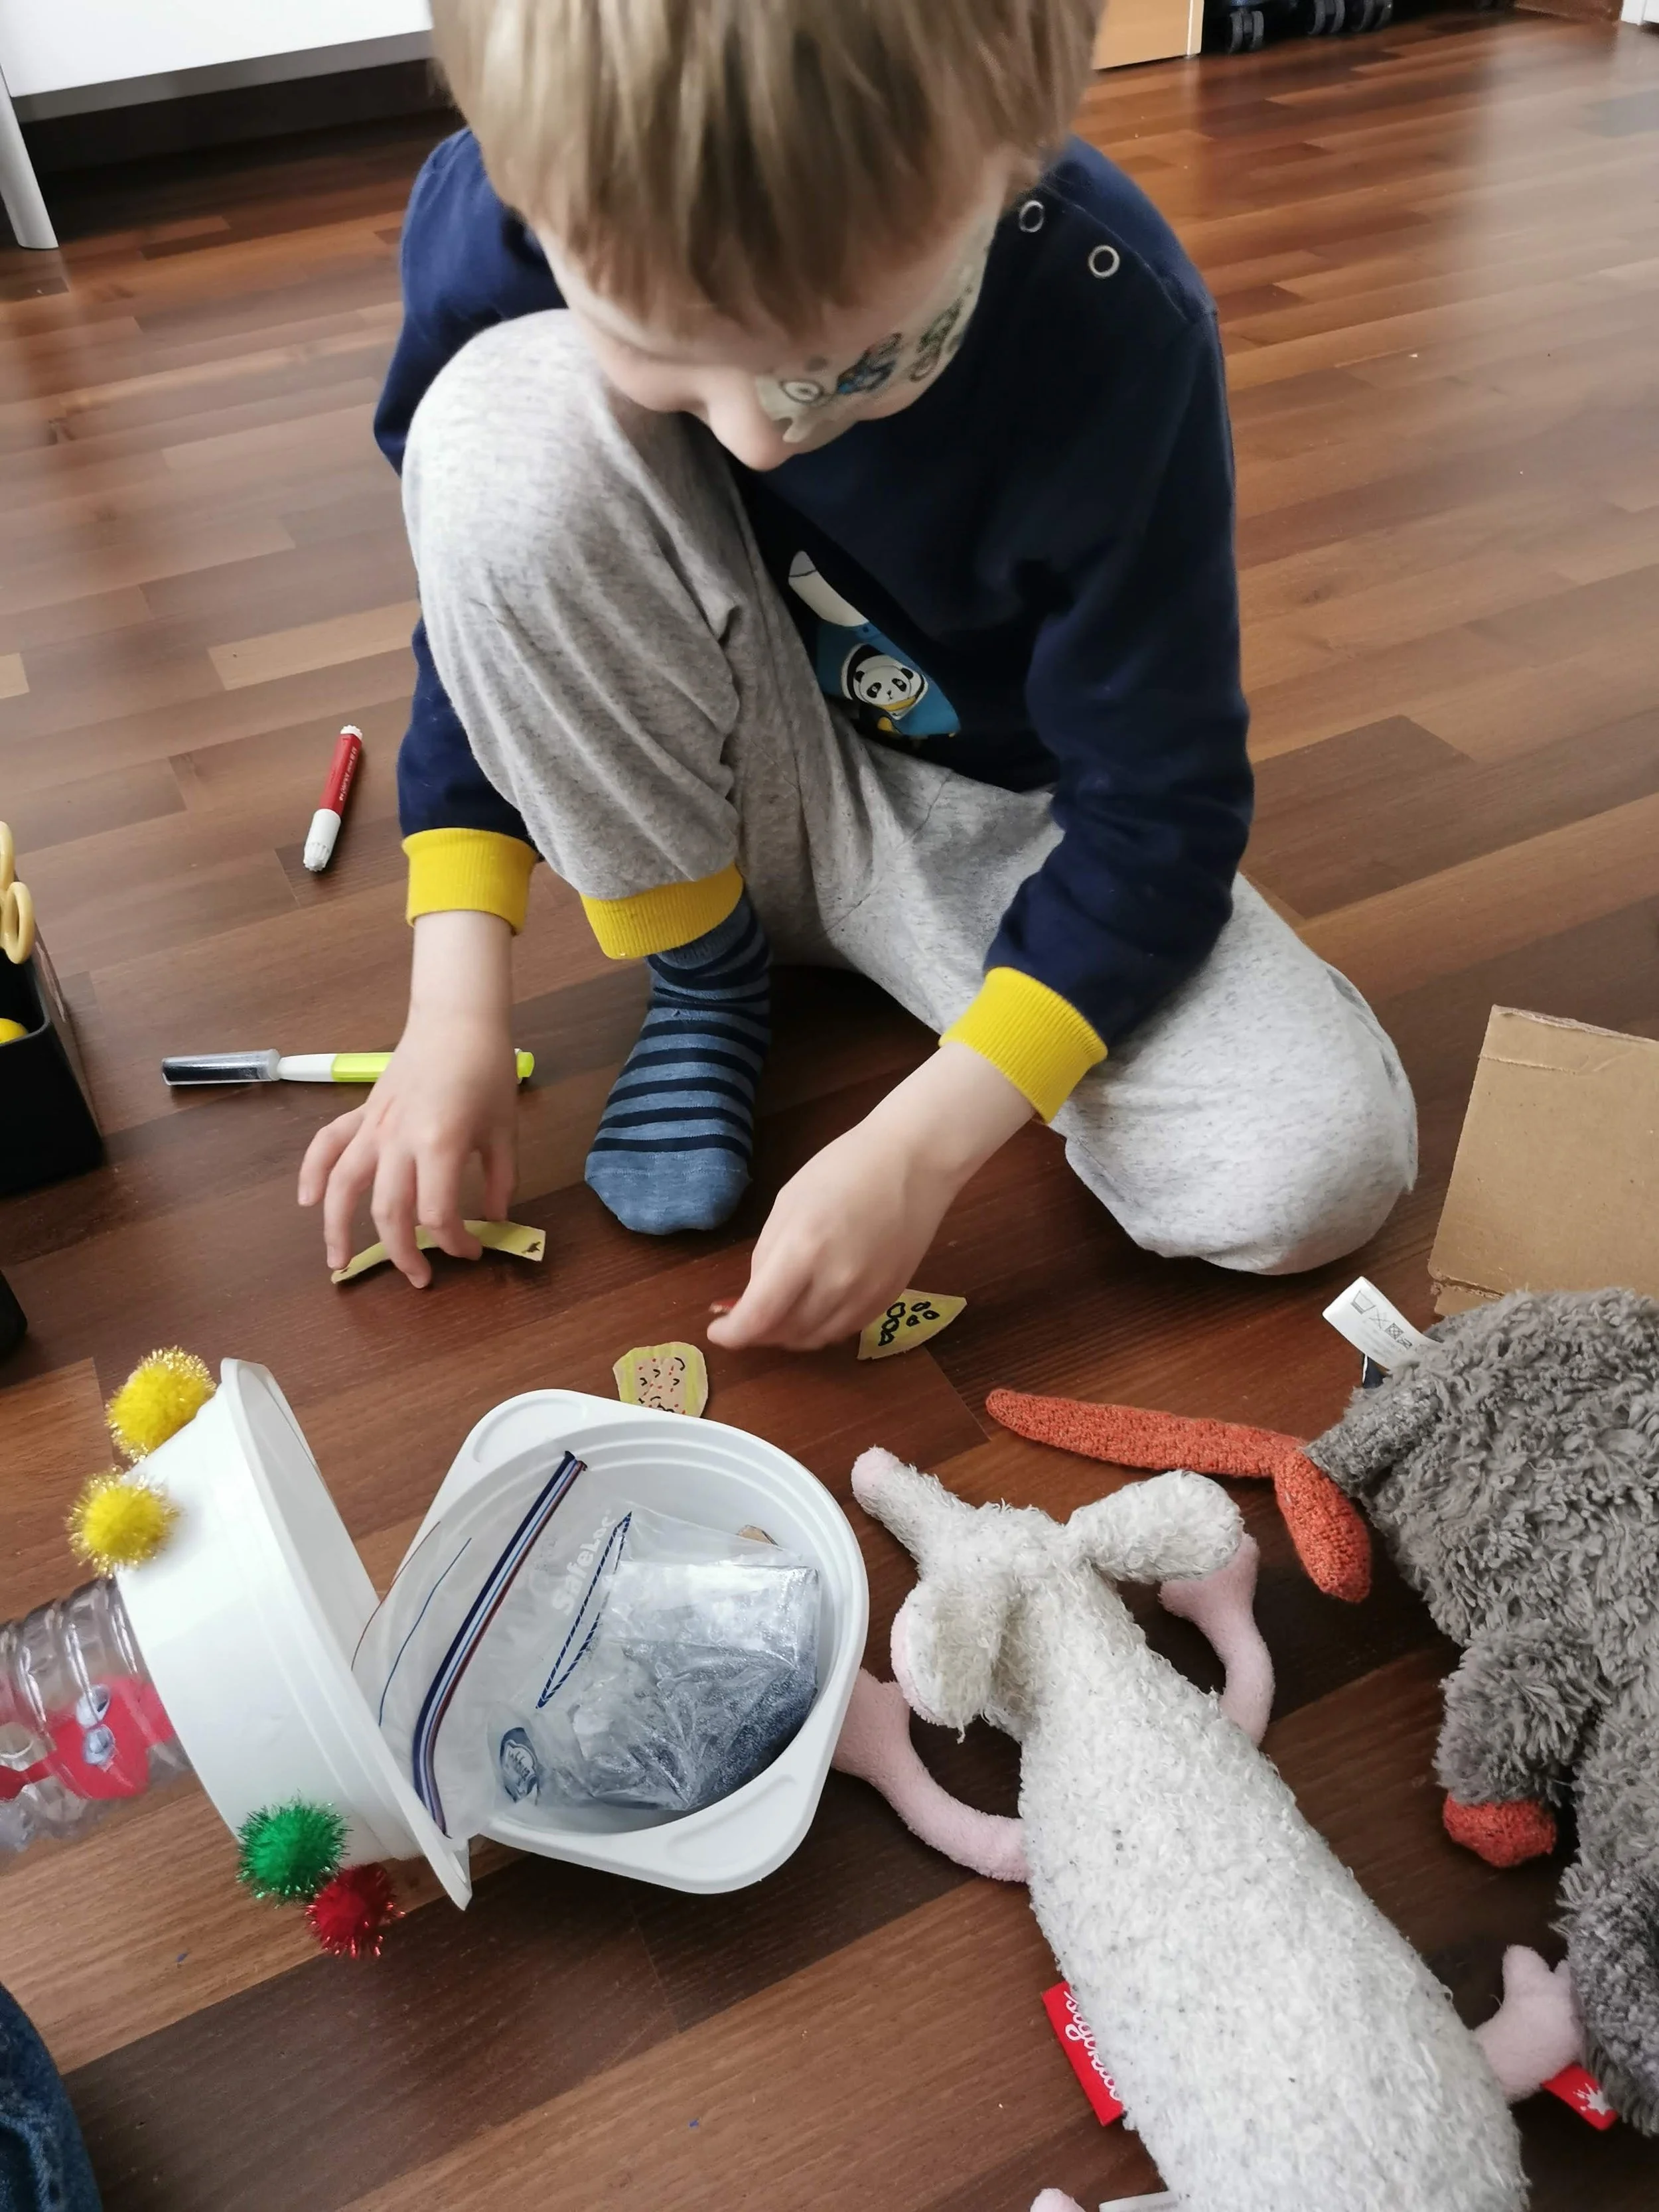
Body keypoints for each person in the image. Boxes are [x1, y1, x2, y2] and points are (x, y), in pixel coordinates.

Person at [299, 0, 1415, 1351]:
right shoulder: (497, 214)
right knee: (492, 437)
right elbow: (484, 609)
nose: (761, 441)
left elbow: (1160, 805)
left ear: (1011, 162)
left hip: (985, 825)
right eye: (661, 355)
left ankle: (776, 946)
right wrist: (452, 1003)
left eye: (854, 369)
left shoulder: (1118, 326)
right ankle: (707, 967)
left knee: (1313, 1164)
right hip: (692, 770)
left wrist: (926, 1145)